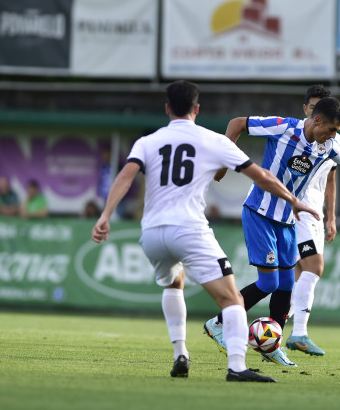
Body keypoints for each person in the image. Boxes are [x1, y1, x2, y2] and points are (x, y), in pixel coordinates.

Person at [91, 80, 319, 382]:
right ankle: (237, 367)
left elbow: (125, 175)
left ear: (167, 109)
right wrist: (293, 200)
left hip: (151, 233)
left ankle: (180, 353)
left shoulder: (147, 141)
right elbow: (262, 176)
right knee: (232, 300)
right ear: (197, 109)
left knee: (174, 284)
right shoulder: (212, 140)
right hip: (188, 229)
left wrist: (105, 215)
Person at [204, 96, 340, 368]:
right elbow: (237, 123)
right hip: (260, 213)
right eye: (332, 129)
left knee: (287, 284)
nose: (334, 136)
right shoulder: (283, 127)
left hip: (288, 220)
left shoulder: (329, 146)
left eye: (337, 132)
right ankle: (218, 323)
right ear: (317, 120)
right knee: (268, 283)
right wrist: (222, 163)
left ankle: (273, 343)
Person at [286, 85, 340, 357]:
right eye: (312, 107)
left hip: (317, 213)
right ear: (306, 109)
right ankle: (299, 334)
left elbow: (331, 177)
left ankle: (271, 329)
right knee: (314, 268)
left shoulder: (333, 140)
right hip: (299, 211)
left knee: (299, 275)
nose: (316, 113)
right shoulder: (294, 135)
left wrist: (331, 216)